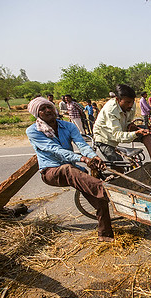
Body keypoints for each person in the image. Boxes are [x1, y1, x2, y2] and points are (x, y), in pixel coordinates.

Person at [25, 97, 114, 242]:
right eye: (42, 109)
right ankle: (108, 190)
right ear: (37, 113)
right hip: (51, 172)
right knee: (69, 169)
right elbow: (55, 150)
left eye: (49, 107)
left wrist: (93, 157)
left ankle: (105, 235)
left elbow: (82, 144)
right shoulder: (33, 131)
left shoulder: (68, 126)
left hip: (72, 170)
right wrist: (83, 159)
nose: (47, 110)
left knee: (99, 200)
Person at [93, 84, 151, 168]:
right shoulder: (111, 111)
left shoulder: (131, 105)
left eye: (132, 101)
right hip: (105, 138)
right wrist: (136, 133)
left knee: (145, 132)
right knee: (119, 166)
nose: (130, 105)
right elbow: (117, 135)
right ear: (118, 100)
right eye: (127, 102)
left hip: (118, 132)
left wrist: (131, 125)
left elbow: (128, 121)